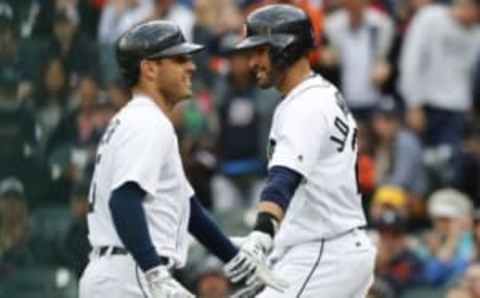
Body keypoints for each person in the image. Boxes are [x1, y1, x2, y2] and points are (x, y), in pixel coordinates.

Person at [79, 20, 287, 298]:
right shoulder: (147, 121)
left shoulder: (138, 118)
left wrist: (234, 258)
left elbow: (189, 211)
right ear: (149, 68)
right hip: (131, 274)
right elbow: (123, 199)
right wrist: (153, 270)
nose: (191, 66)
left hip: (122, 271)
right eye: (179, 59)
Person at [229, 4, 377, 297]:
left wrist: (262, 232)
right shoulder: (321, 93)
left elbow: (284, 178)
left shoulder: (304, 105)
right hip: (332, 247)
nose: (252, 62)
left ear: (286, 48)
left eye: (260, 51)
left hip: (324, 251)